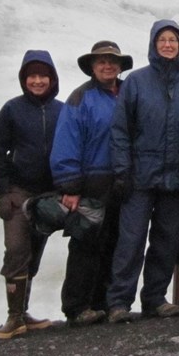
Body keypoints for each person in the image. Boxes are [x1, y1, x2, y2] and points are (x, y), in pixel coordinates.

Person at [106, 20, 179, 322]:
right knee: (131, 240)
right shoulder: (135, 82)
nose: (168, 44)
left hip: (175, 177)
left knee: (166, 240)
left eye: (174, 40)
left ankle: (155, 298)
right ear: (153, 44)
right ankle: (119, 302)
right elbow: (120, 130)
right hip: (140, 177)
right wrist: (122, 171)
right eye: (163, 39)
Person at [50, 41, 133, 327]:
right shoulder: (80, 98)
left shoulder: (128, 93)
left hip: (122, 181)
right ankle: (76, 306)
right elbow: (66, 142)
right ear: (92, 66)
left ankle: (102, 303)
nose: (107, 65)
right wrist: (70, 186)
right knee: (85, 244)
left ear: (120, 66)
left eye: (112, 60)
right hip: (91, 183)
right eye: (101, 61)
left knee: (115, 243)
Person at [0, 51, 63, 339]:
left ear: (51, 78)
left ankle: (23, 313)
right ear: (24, 79)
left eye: (42, 75)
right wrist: (4, 191)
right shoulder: (11, 110)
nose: (37, 80)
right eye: (31, 75)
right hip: (19, 192)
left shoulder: (61, 111)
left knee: (33, 252)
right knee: (17, 249)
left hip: (48, 194)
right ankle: (13, 317)